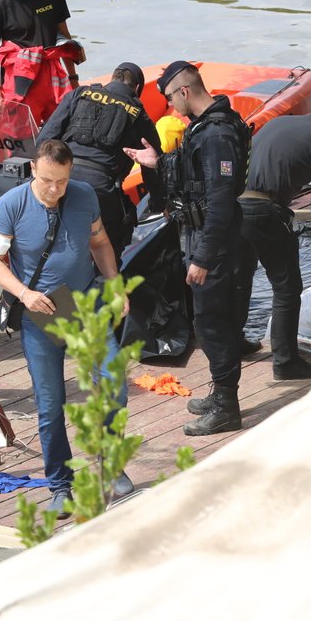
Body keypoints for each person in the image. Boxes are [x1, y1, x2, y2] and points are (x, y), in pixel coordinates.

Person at [0, 140, 133, 518]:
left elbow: (99, 241)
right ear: (34, 169)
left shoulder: (84, 196)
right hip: (42, 312)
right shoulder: (11, 205)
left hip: (85, 303)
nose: (54, 189)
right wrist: (24, 294)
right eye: (48, 180)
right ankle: (60, 486)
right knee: (50, 406)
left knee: (114, 383)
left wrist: (114, 281)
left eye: (62, 181)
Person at [124, 61, 250, 437]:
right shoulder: (205, 127)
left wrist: (203, 258)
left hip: (215, 240)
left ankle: (227, 406)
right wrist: (157, 163)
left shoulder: (216, 135)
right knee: (207, 321)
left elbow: (222, 198)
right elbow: (193, 177)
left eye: (168, 98)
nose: (169, 108)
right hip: (200, 232)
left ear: (184, 91)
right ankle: (221, 394)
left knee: (213, 324)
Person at [233, 95, 311, 381]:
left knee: (240, 281)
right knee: (287, 287)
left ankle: (235, 342)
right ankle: (286, 362)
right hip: (267, 211)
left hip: (238, 208)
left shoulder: (278, 123)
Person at [37, 62, 164, 265]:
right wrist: (160, 204)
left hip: (61, 182)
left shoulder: (79, 95)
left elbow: (44, 141)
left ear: (111, 80)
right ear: (138, 89)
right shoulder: (139, 114)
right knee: (114, 240)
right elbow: (154, 167)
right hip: (102, 191)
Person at [0, 0, 82, 127]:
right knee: (21, 135)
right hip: (20, 79)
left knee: (64, 128)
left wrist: (73, 78)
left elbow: (65, 40)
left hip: (52, 75)